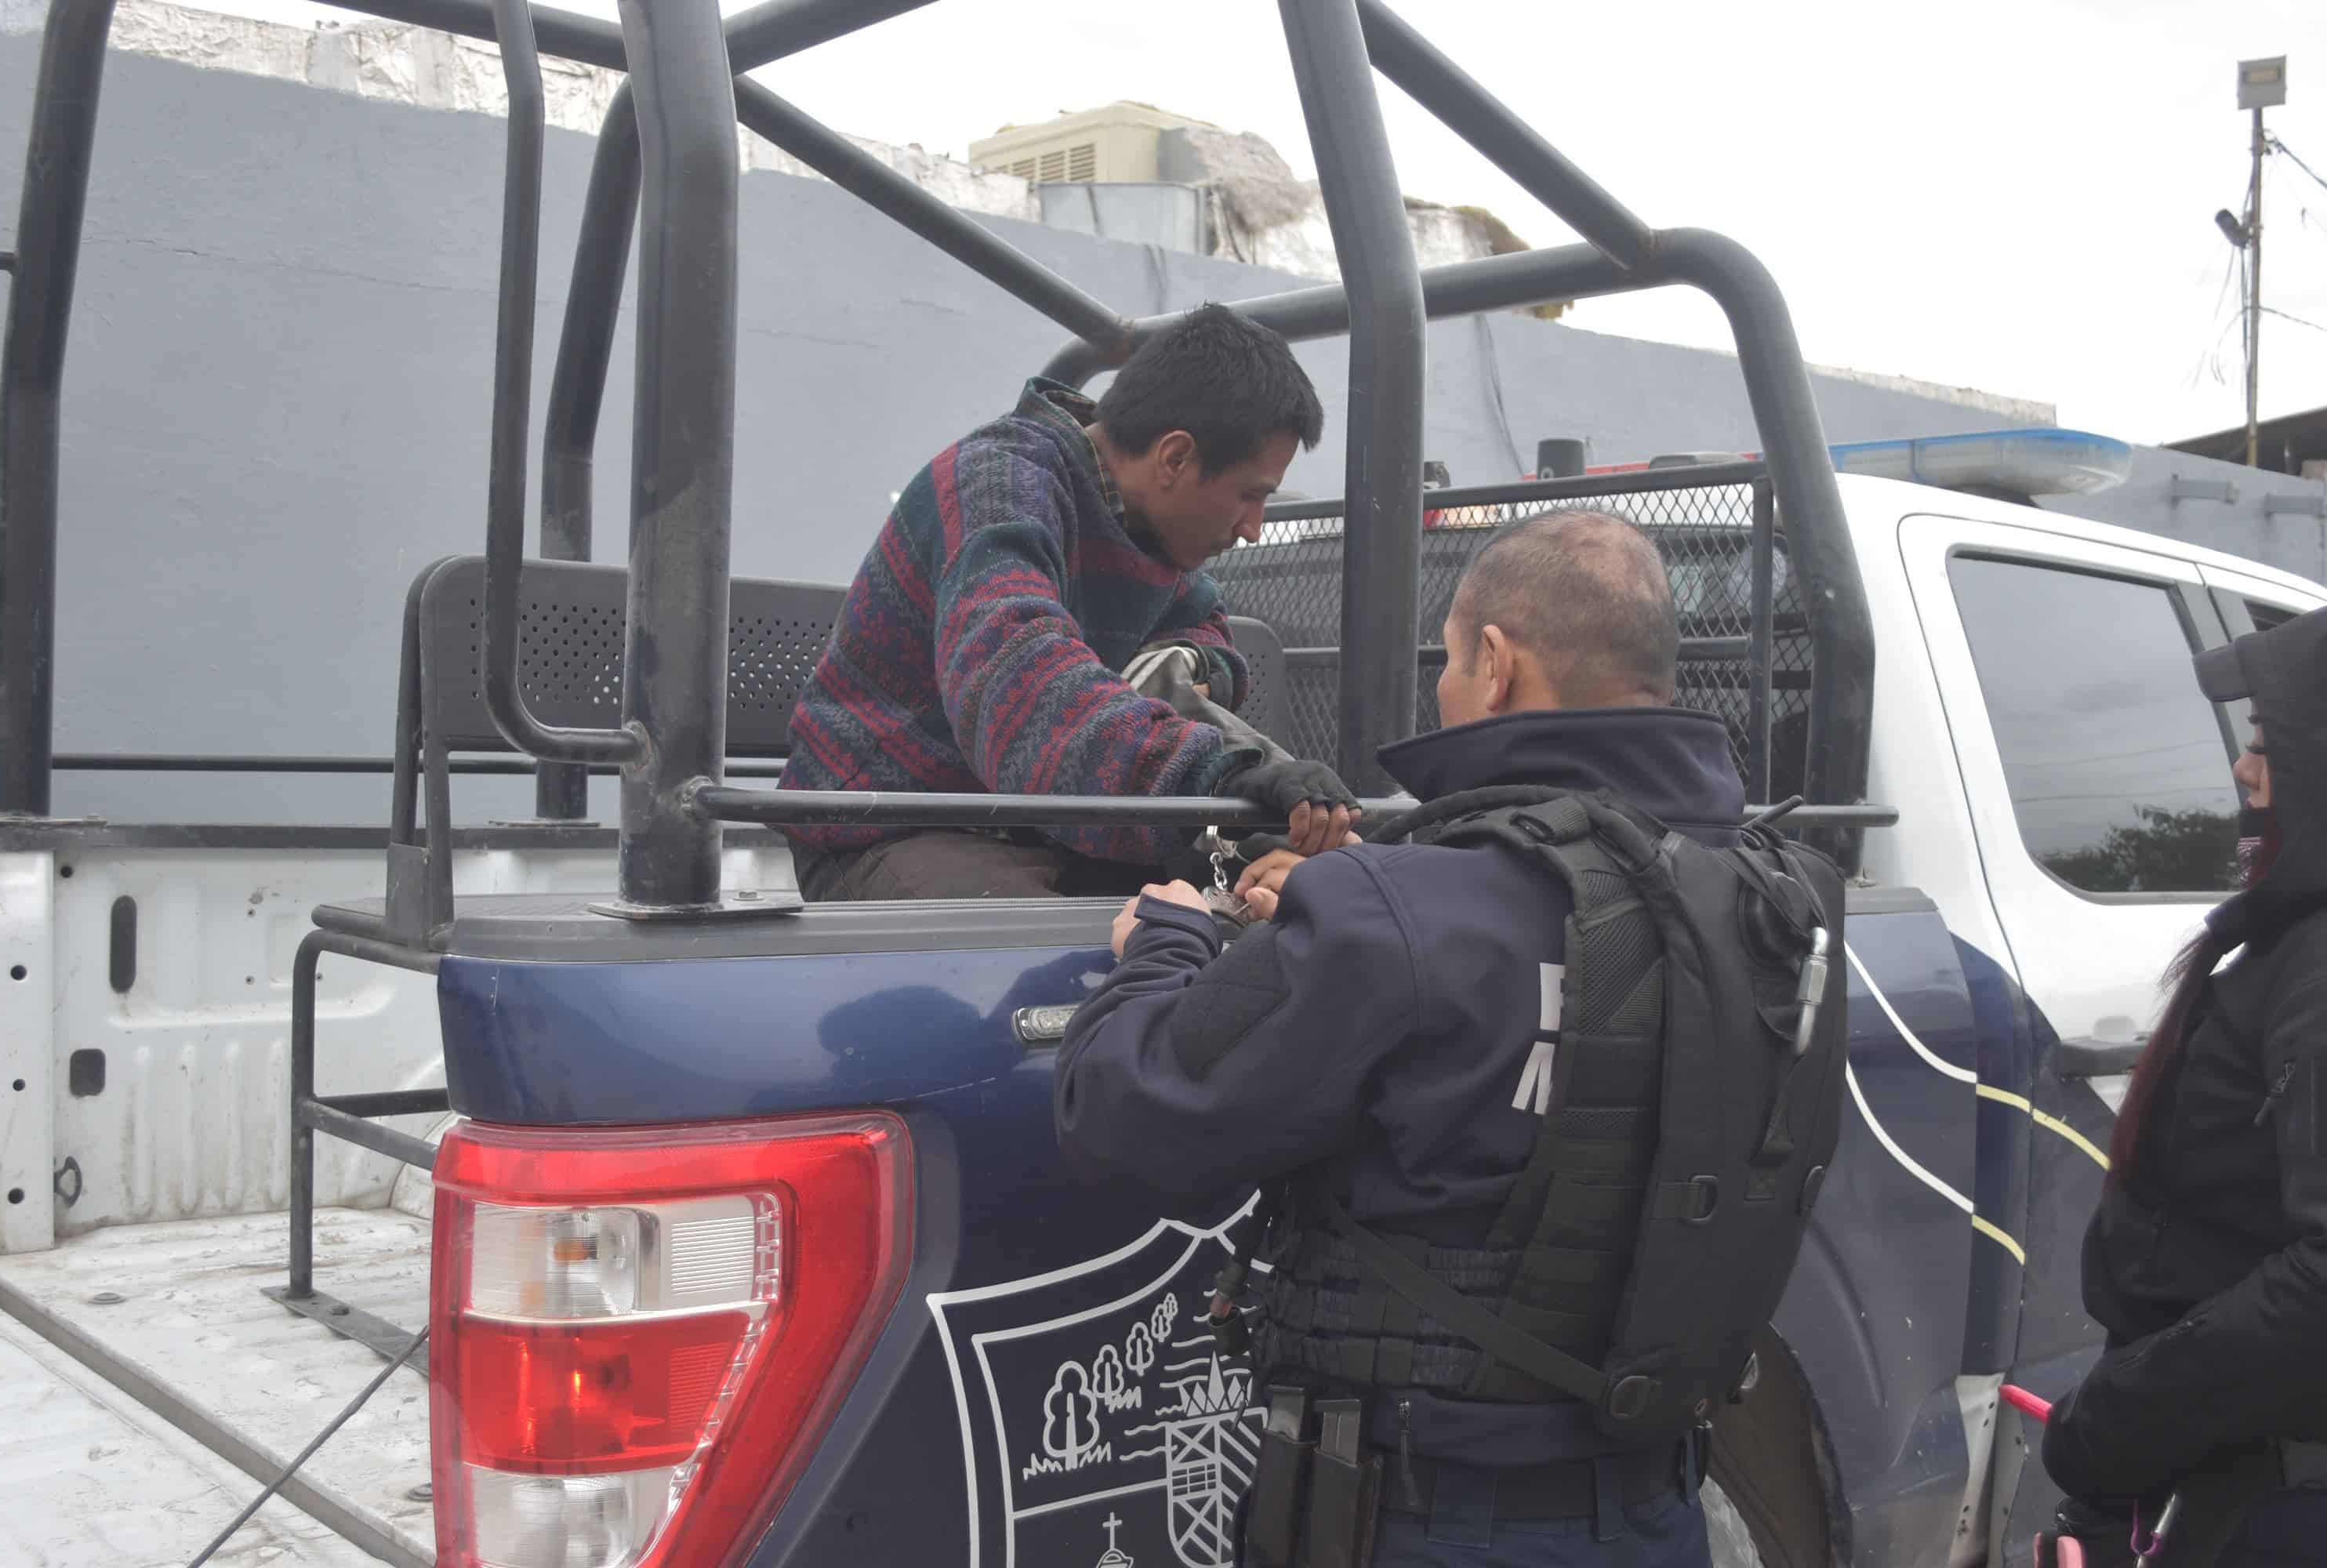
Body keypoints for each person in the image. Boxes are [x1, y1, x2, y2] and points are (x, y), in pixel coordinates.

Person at [1055, 512, 1847, 1567]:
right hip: (1660, 1509)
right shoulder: (1778, 902)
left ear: (1493, 661)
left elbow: (1126, 1115)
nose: (1442, 686)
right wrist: (1352, 904)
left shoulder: (1401, 910)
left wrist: (1165, 943)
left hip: (1426, 1518)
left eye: (1448, 660)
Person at [779, 303, 1360, 902]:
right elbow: (1021, 695)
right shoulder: (997, 488)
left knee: (1276, 901)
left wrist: (1189, 666)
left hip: (1037, 822)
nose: (1254, 529)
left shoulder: (1149, 524)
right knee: (1055, 948)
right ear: (1176, 458)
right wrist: (1218, 777)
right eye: (1250, 496)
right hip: (890, 826)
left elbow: (1199, 618)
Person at [2042, 605, 2327, 1568]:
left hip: (2255, 1491)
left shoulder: (2317, 964)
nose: (2243, 772)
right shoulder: (2293, 940)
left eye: (2267, 742)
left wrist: (2117, 1416)